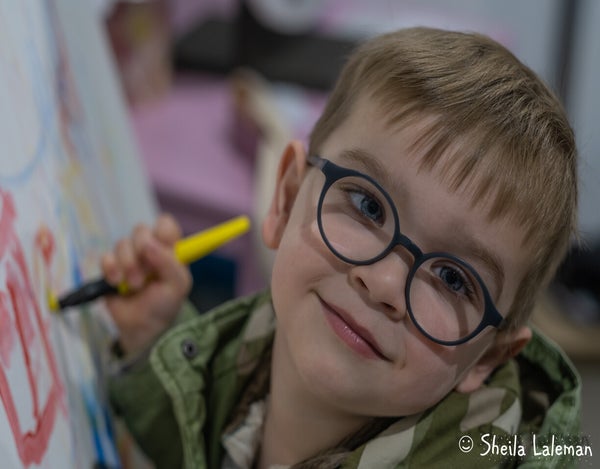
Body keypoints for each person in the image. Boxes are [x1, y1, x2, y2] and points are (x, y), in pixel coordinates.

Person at [104, 27, 582, 468]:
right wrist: (153, 338)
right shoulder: (249, 351)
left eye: (454, 279)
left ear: (488, 358)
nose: (384, 284)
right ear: (287, 197)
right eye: (368, 206)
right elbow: (200, 439)